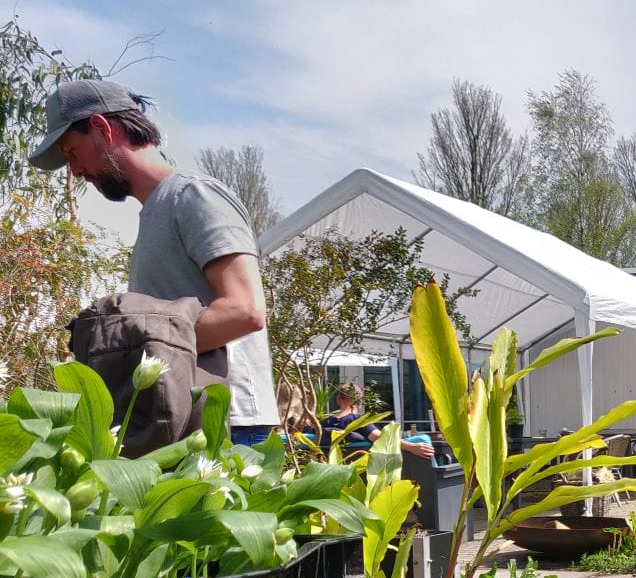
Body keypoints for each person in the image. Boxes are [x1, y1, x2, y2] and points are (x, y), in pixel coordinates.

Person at [28, 79, 279, 446]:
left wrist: (123, 353)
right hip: (180, 416)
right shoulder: (157, 211)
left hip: (223, 421)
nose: (76, 171)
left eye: (72, 153)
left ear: (101, 127)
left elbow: (245, 311)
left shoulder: (193, 196)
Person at [322, 383, 434, 459]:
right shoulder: (357, 421)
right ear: (360, 401)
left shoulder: (323, 424)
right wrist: (411, 447)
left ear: (338, 399)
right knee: (423, 439)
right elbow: (380, 438)